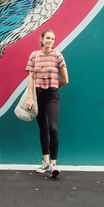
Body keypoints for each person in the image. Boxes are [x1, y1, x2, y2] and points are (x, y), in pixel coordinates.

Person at [26, 29, 68, 177]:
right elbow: (31, 77)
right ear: (41, 39)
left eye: (53, 39)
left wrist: (53, 88)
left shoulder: (58, 56)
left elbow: (65, 79)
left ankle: (54, 165)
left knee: (53, 128)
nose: (50, 41)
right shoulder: (34, 56)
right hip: (38, 95)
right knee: (43, 129)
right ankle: (45, 163)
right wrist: (30, 97)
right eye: (48, 38)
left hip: (52, 96)